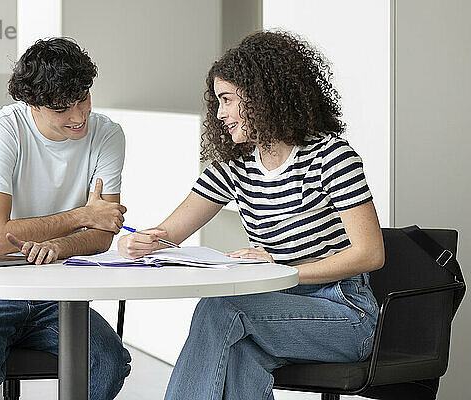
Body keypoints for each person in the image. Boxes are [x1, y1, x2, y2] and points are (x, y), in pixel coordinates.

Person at [118, 30, 384, 399]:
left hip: (345, 312)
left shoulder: (331, 157)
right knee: (240, 353)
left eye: (227, 100)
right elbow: (167, 234)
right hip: (275, 309)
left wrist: (283, 266)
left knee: (221, 311)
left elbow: (370, 254)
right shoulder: (235, 166)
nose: (220, 114)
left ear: (262, 96)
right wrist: (138, 241)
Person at [0, 37, 131, 400]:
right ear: (32, 104)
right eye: (62, 108)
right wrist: (81, 216)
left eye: (83, 100)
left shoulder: (108, 134)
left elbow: (104, 233)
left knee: (108, 362)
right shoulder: (4, 129)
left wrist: (59, 244)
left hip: (56, 293)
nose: (78, 117)